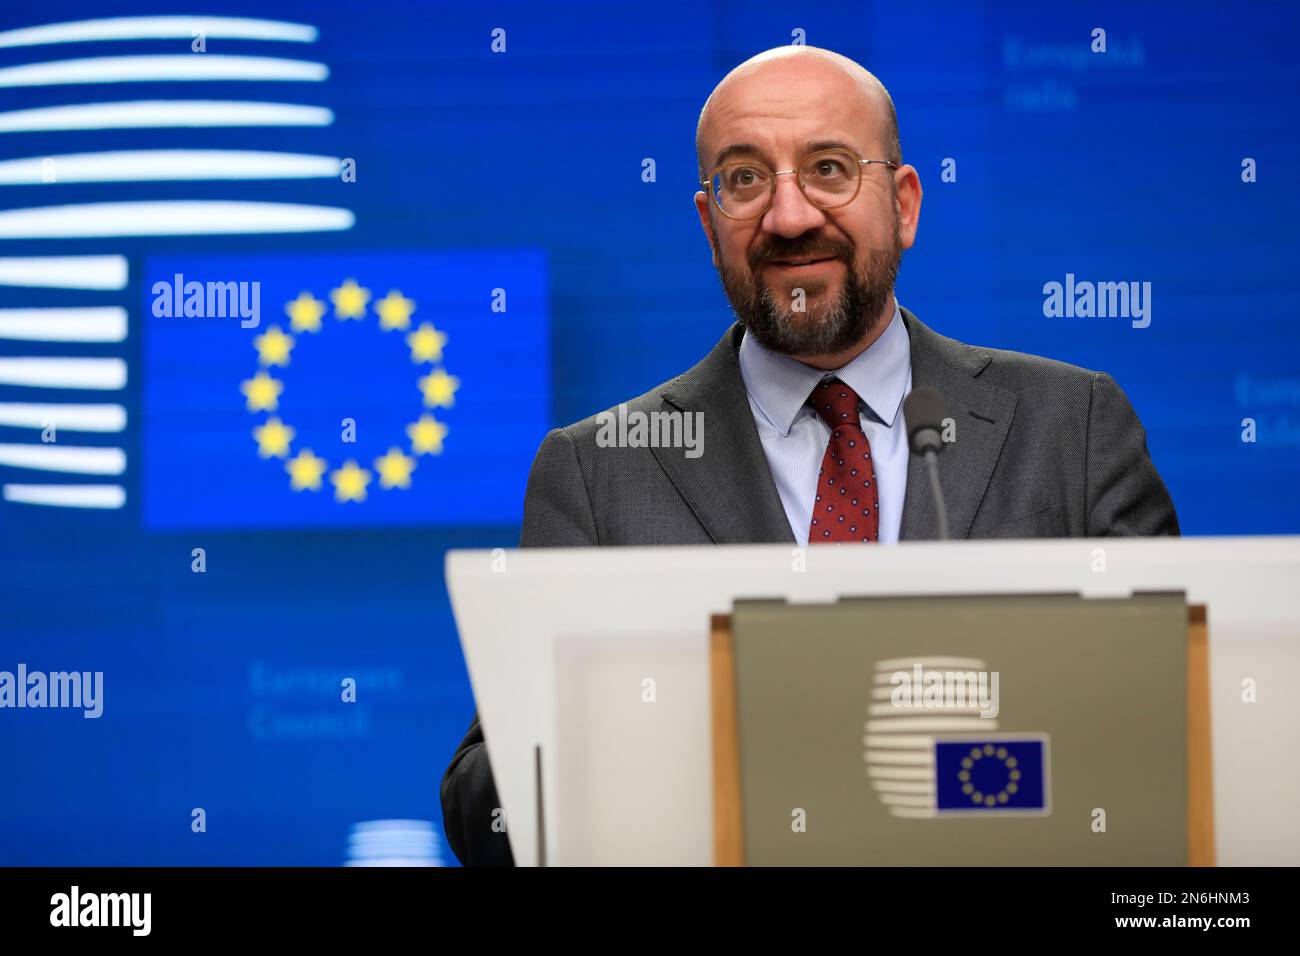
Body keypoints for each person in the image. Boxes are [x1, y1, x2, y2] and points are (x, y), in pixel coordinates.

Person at [441, 45, 1179, 866]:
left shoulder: (1070, 426)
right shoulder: (598, 469)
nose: (788, 217)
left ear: (903, 205)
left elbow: (1177, 725)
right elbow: (489, 816)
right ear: (707, 222)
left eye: (828, 169)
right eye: (746, 180)